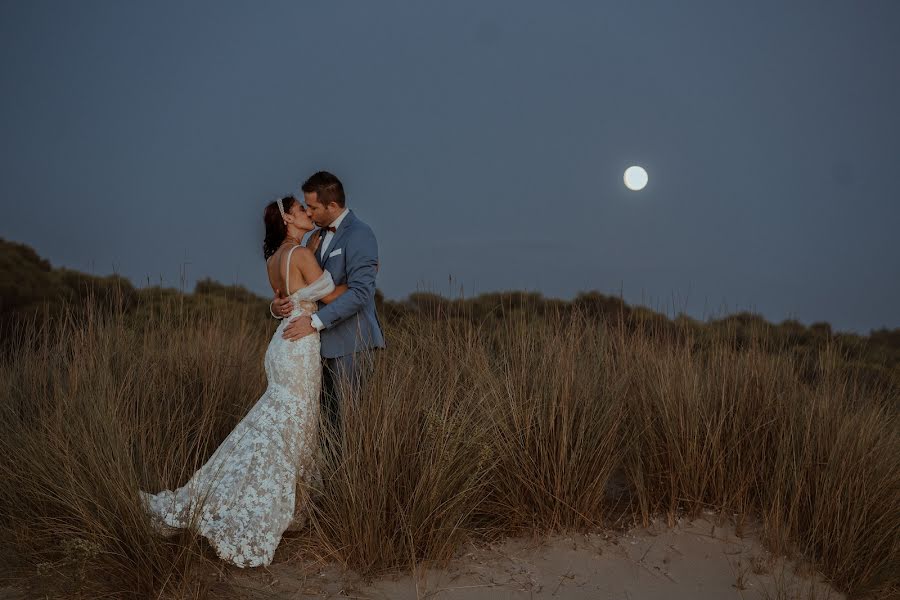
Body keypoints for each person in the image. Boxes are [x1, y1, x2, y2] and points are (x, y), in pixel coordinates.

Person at [139, 195, 346, 568]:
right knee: (295, 421)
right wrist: (365, 283)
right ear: (287, 220)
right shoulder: (299, 255)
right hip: (299, 347)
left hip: (282, 342)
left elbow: (283, 300)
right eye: (300, 209)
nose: (306, 212)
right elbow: (331, 294)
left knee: (281, 419)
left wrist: (276, 305)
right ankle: (283, 507)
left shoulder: (274, 260)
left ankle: (291, 505)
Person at [271, 171, 385, 453]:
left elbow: (361, 293)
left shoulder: (359, 234)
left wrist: (316, 321)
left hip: (351, 344)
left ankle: (354, 494)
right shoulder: (313, 240)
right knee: (326, 429)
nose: (308, 212)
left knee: (350, 426)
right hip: (316, 349)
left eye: (313, 207)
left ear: (332, 206)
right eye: (305, 207)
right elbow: (301, 287)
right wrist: (277, 306)